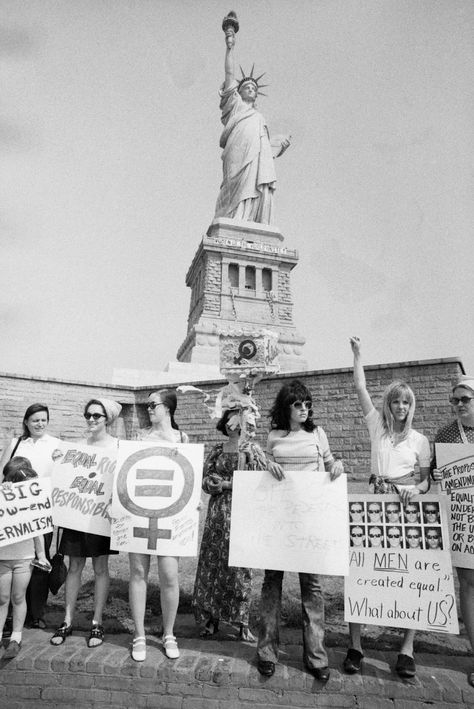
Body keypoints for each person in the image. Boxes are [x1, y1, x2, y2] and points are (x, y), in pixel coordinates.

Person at [344, 337, 431, 679]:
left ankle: (406, 649)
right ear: (388, 405)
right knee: (362, 570)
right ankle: (355, 646)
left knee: (409, 574)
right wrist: (358, 355)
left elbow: (426, 481)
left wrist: (415, 490)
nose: (400, 407)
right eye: (395, 401)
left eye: (406, 402)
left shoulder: (420, 441)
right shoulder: (376, 427)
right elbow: (360, 385)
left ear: (412, 406)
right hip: (373, 504)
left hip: (405, 508)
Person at [256, 379, 344, 681]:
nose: (304, 409)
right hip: (279, 522)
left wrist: (337, 467)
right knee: (271, 584)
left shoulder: (318, 434)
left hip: (310, 523)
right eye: (298, 404)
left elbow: (332, 463)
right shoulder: (274, 436)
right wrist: (268, 464)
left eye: (308, 404)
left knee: (312, 587)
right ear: (287, 407)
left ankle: (316, 657)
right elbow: (264, 468)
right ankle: (266, 652)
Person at [50, 398, 121, 648]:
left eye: (97, 416)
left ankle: (97, 621)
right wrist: (58, 459)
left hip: (100, 516)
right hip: (76, 514)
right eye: (88, 415)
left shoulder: (117, 447)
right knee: (74, 566)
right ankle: (67, 619)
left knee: (101, 567)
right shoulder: (77, 447)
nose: (91, 420)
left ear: (107, 419)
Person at [192, 408, 265, 641]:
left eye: (238, 422)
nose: (233, 426)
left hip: (243, 512)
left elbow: (259, 481)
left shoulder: (253, 450)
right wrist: (223, 484)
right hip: (217, 515)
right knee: (213, 564)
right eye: (229, 421)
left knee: (241, 567)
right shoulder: (216, 450)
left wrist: (227, 482)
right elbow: (206, 480)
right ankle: (211, 618)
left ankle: (242, 622)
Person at [129, 389, 189, 662]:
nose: (148, 409)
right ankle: (139, 634)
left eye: (153, 404)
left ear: (169, 408)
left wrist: (192, 502)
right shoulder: (138, 437)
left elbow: (188, 475)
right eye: (147, 405)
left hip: (169, 515)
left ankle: (168, 633)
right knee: (139, 572)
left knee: (169, 576)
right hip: (140, 513)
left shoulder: (183, 439)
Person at [214, 19, 291, 224]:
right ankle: (233, 217)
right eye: (247, 86)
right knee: (233, 186)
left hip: (254, 159)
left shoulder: (258, 118)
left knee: (255, 183)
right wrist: (230, 45)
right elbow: (229, 73)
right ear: (238, 92)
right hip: (236, 154)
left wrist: (277, 142)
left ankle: (250, 220)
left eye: (254, 88)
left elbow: (263, 148)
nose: (251, 89)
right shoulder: (235, 105)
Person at [0, 403, 60, 629]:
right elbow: (2, 474)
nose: (39, 423)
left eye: (44, 419)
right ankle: (9, 613)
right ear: (26, 421)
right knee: (12, 560)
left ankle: (36, 612)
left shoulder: (55, 444)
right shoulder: (16, 444)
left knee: (39, 560)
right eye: (35, 419)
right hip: (14, 515)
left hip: (41, 512)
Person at [432, 375, 474, 686]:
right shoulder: (446, 433)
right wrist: (435, 473)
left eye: (466, 399)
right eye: (455, 400)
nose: (459, 405)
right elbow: (438, 473)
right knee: (468, 585)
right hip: (463, 517)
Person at [0, 457, 50, 658]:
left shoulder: (31, 500)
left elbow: (38, 528)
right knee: (2, 598)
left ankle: (16, 637)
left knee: (18, 596)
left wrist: (41, 555)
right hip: (3, 557)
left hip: (24, 557)